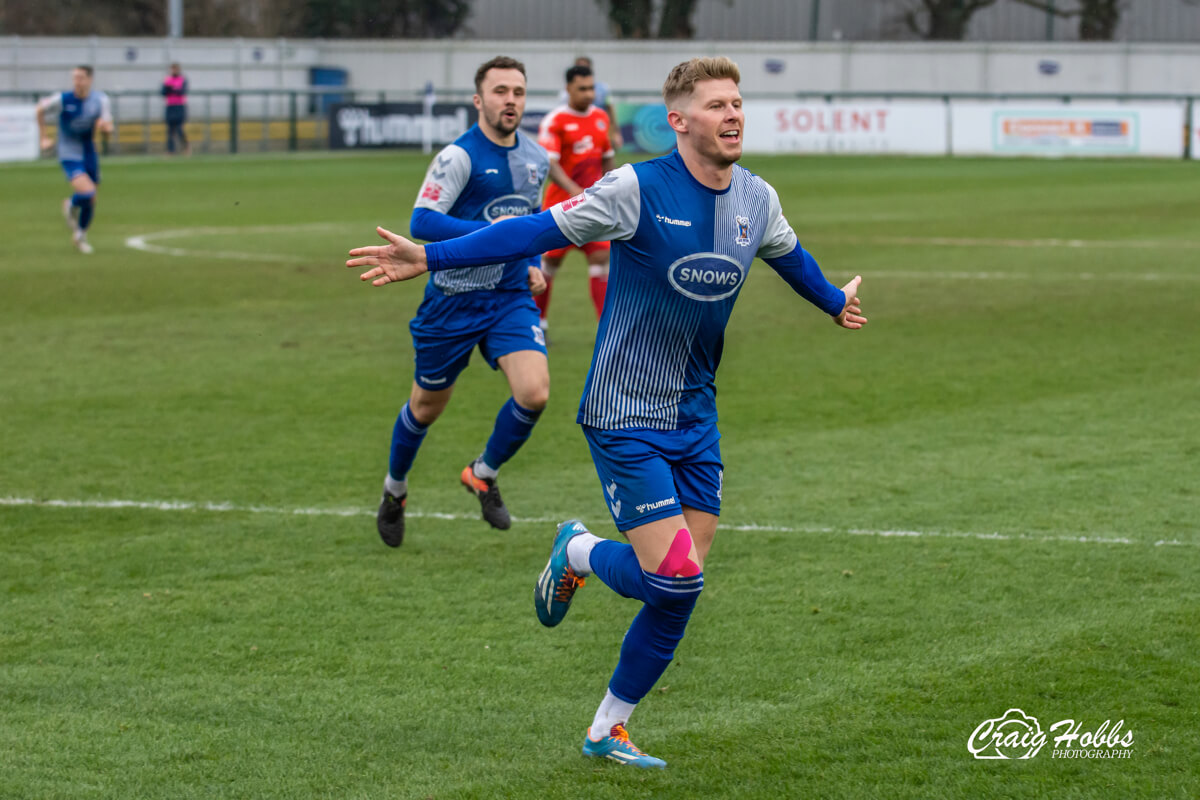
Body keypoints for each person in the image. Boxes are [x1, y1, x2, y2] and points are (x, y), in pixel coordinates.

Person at [346, 57, 866, 766]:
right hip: (624, 412)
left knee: (680, 589)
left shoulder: (756, 199)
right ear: (678, 121)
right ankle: (580, 551)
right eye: (716, 105)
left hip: (695, 415)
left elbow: (790, 257)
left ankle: (604, 725)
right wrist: (433, 256)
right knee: (675, 577)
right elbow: (531, 233)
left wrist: (835, 301)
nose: (734, 114)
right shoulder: (634, 189)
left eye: (738, 102)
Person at [368, 55, 551, 547]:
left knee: (534, 392)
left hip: (509, 297)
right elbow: (424, 222)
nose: (509, 100)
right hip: (452, 300)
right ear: (479, 100)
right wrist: (493, 234)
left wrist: (529, 261)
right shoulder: (458, 157)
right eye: (499, 91)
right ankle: (395, 491)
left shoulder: (537, 160)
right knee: (426, 408)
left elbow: (528, 224)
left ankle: (482, 473)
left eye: (517, 91)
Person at [536, 63, 616, 333]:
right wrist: (573, 190)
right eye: (582, 89)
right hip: (560, 207)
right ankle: (539, 324)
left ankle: (606, 327)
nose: (589, 94)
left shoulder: (600, 118)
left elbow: (607, 157)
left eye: (591, 88)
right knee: (549, 263)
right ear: (568, 88)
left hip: (593, 207)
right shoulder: (555, 121)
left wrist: (612, 187)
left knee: (601, 261)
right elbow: (549, 163)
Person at [37, 65, 113, 254]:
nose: (77, 82)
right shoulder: (62, 99)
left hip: (89, 152)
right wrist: (44, 137)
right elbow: (39, 110)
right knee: (87, 193)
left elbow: (107, 126)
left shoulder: (100, 100)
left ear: (89, 80)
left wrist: (106, 130)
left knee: (92, 198)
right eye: (74, 78)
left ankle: (80, 236)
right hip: (69, 153)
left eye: (80, 78)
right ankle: (71, 204)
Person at [559, 56, 623, 152]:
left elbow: (610, 109)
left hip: (598, 127)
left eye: (591, 89)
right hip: (577, 131)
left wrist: (615, 133)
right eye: (579, 67)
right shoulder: (565, 93)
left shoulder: (603, 88)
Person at [161, 62, 190, 156]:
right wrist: (173, 88)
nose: (173, 71)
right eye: (172, 69)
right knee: (170, 130)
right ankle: (170, 150)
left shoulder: (182, 79)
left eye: (175, 69)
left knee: (179, 129)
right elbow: (163, 92)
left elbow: (182, 91)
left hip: (180, 106)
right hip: (170, 106)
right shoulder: (167, 80)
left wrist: (172, 88)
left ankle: (186, 147)